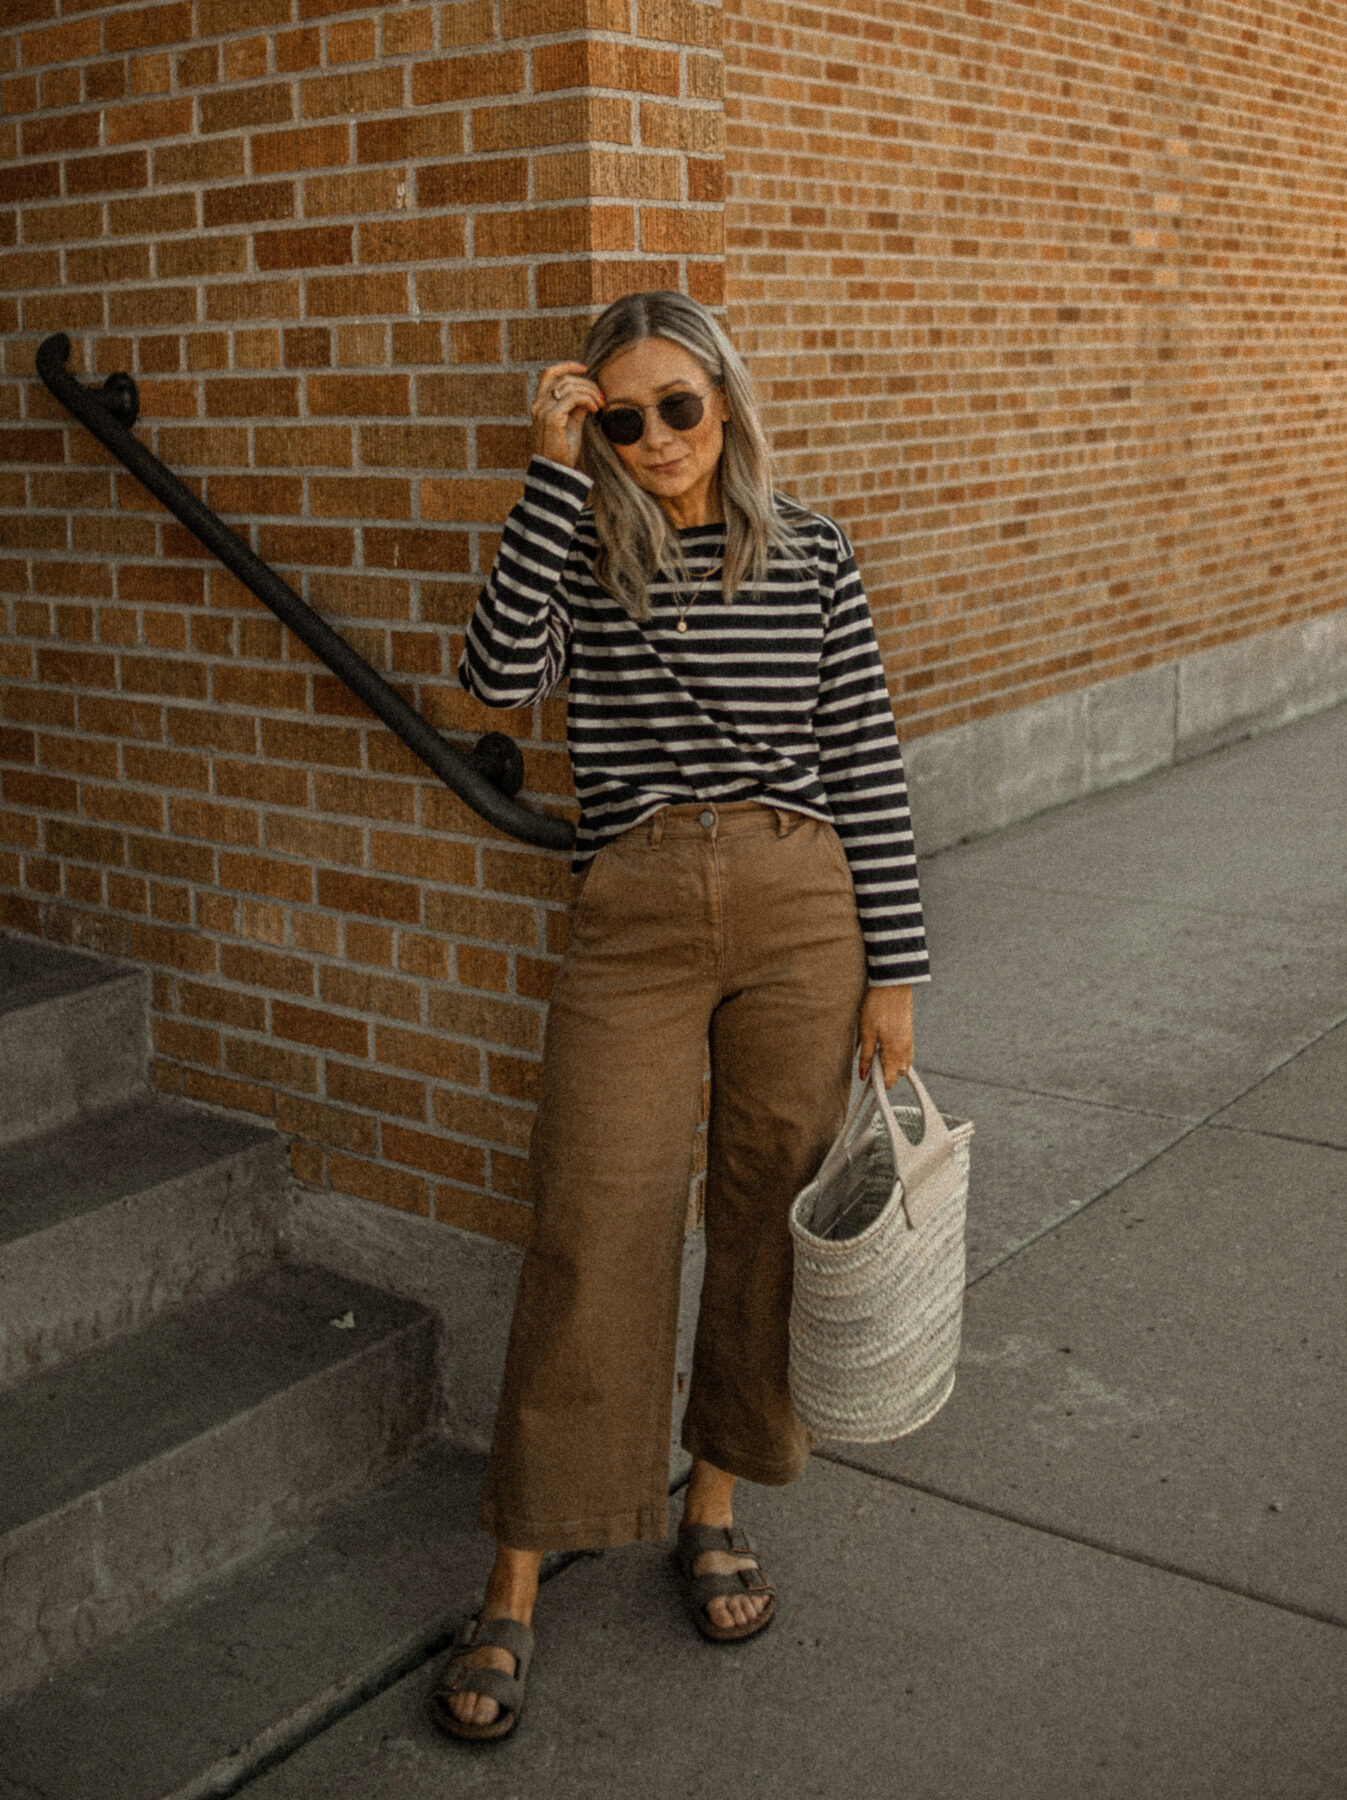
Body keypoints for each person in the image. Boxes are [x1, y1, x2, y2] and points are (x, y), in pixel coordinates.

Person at [431, 291, 930, 1741]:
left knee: (769, 1206)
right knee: (594, 1214)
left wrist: (893, 973)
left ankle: (713, 1501)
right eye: (621, 415)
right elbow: (498, 679)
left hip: (799, 907)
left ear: (726, 400)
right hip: (635, 910)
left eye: (677, 407)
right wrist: (543, 470)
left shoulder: (816, 554)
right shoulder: (584, 546)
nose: (654, 439)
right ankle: (520, 1572)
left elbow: (868, 770)